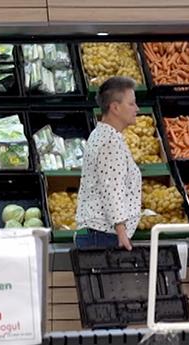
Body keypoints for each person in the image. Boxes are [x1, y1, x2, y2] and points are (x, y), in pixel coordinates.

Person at [75, 76, 142, 250]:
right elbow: (112, 189)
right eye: (132, 104)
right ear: (115, 107)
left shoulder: (102, 135)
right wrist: (122, 234)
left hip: (99, 234)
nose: (137, 108)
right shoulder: (110, 142)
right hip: (105, 236)